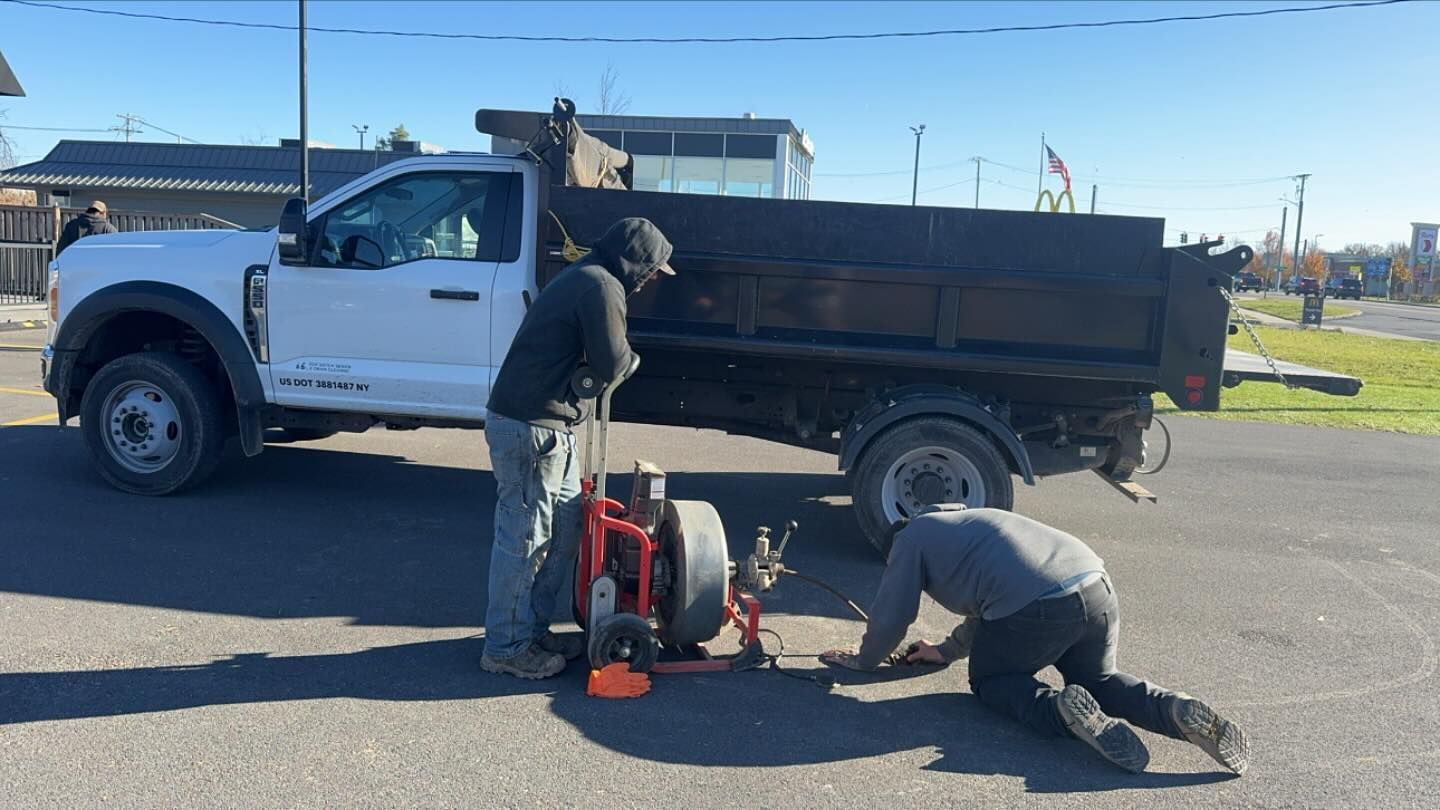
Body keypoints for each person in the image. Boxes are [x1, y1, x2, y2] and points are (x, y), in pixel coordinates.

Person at [821, 505, 1250, 776]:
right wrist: (945, 651)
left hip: (1039, 603)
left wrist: (864, 660)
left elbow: (894, 614)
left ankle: (1060, 712)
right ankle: (1174, 709)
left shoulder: (909, 539)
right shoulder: (968, 522)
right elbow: (989, 610)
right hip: (1095, 585)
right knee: (1100, 680)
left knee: (992, 679)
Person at [481, 217, 675, 680]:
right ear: (636, 263)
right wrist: (632, 360)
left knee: (564, 535)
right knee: (527, 539)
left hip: (552, 425)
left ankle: (529, 630)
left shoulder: (591, 278)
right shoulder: (599, 285)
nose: (650, 281)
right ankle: (505, 647)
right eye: (650, 271)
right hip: (533, 428)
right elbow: (613, 361)